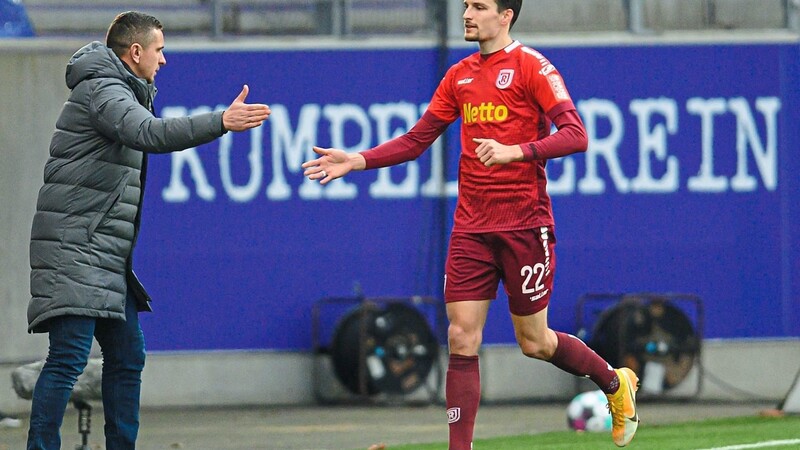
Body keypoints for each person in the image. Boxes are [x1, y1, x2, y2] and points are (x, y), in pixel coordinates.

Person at [302, 1, 639, 448]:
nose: (466, 13)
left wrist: (515, 151)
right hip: (471, 228)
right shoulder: (458, 75)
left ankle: (615, 384)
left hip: (523, 224)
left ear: (506, 15)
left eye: (478, 6)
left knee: (534, 342)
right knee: (461, 335)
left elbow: (576, 134)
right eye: (464, 5)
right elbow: (417, 139)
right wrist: (358, 160)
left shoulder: (532, 66)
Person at [26, 11, 270, 450]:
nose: (164, 59)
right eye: (159, 49)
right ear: (134, 52)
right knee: (68, 360)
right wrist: (220, 121)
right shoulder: (104, 90)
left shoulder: (120, 88)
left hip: (101, 254)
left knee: (127, 355)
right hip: (76, 249)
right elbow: (149, 133)